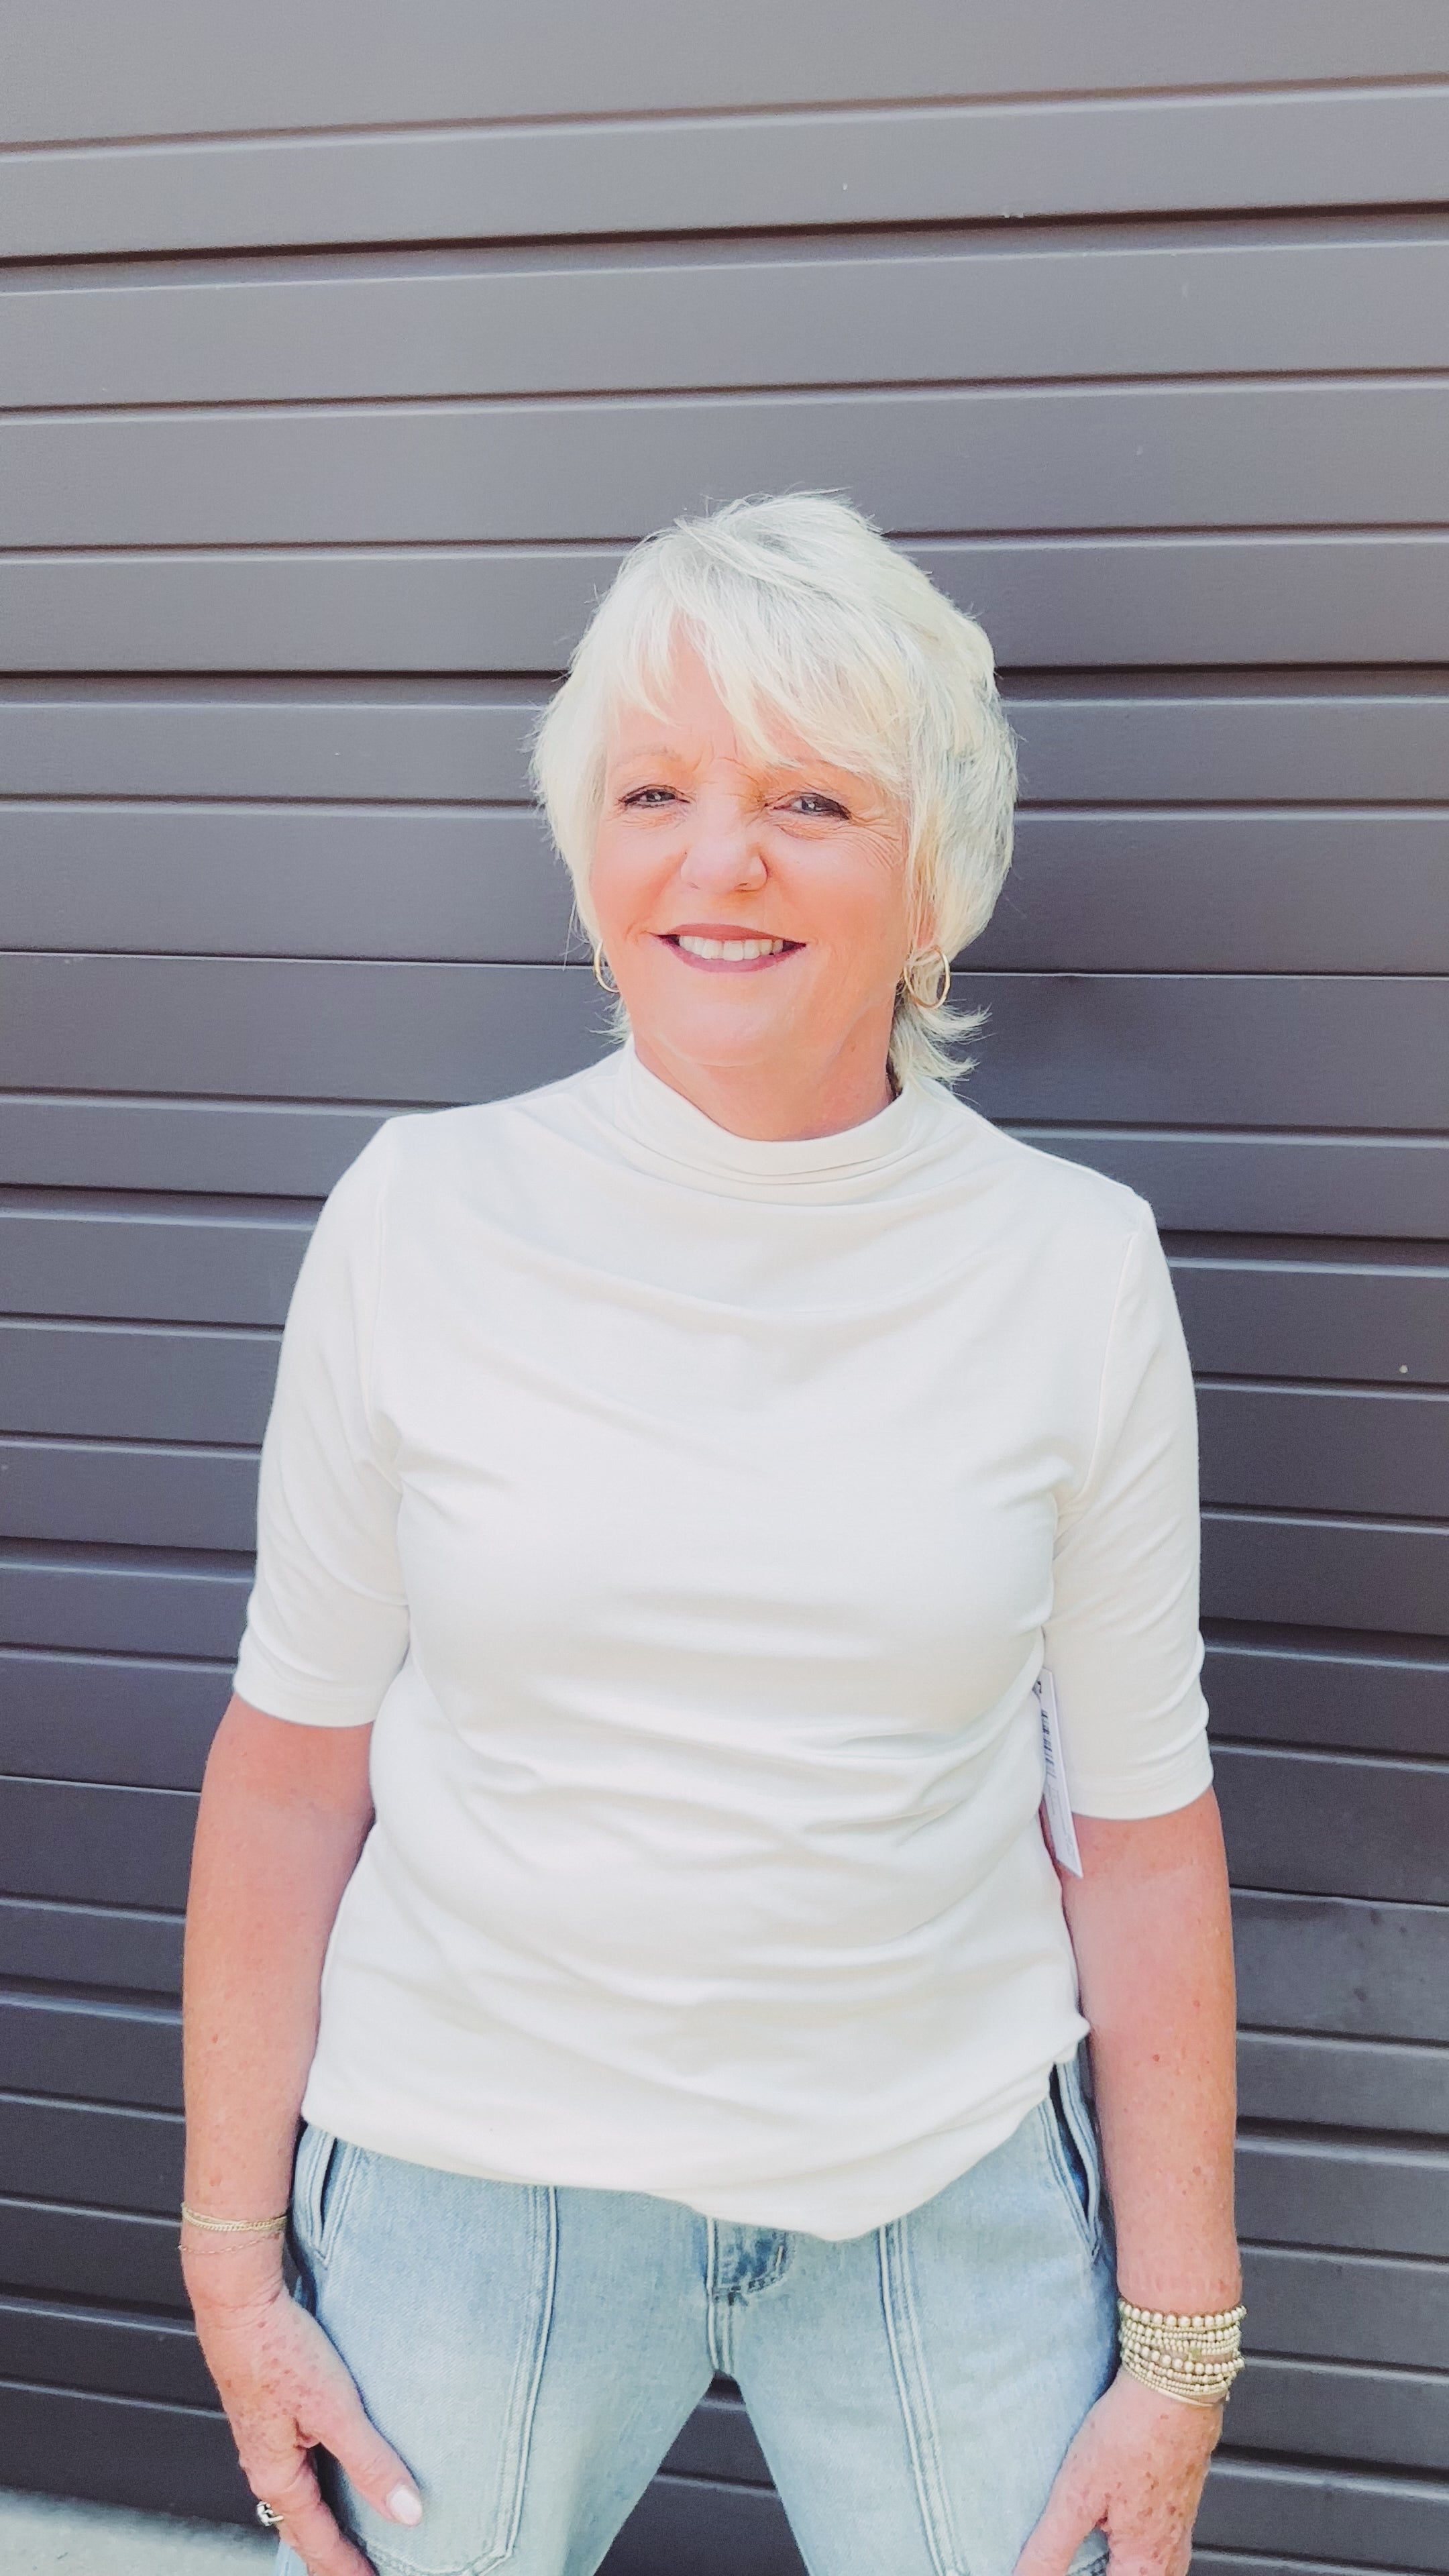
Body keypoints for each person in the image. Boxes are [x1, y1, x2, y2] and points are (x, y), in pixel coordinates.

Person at [182, 494, 1242, 2576]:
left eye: (809, 800)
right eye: (654, 791)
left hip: (939, 2185)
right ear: (588, 855)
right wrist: (229, 2255)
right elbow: (292, 1767)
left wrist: (1182, 2347)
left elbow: (1138, 1828)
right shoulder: (417, 1218)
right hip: (471, 2180)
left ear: (934, 872)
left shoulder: (1075, 1268)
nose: (720, 860)